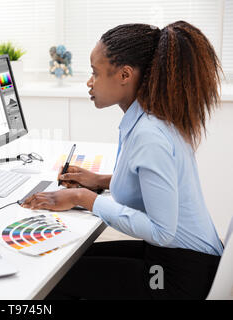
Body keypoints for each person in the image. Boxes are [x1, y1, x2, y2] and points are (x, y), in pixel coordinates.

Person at [21, 21, 224, 300]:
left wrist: (84, 197)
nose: (89, 82)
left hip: (180, 277)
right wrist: (100, 181)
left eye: (94, 73)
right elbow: (153, 186)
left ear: (125, 75)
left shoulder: (150, 134)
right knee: (62, 262)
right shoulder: (148, 118)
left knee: (56, 281)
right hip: (172, 258)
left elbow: (163, 232)